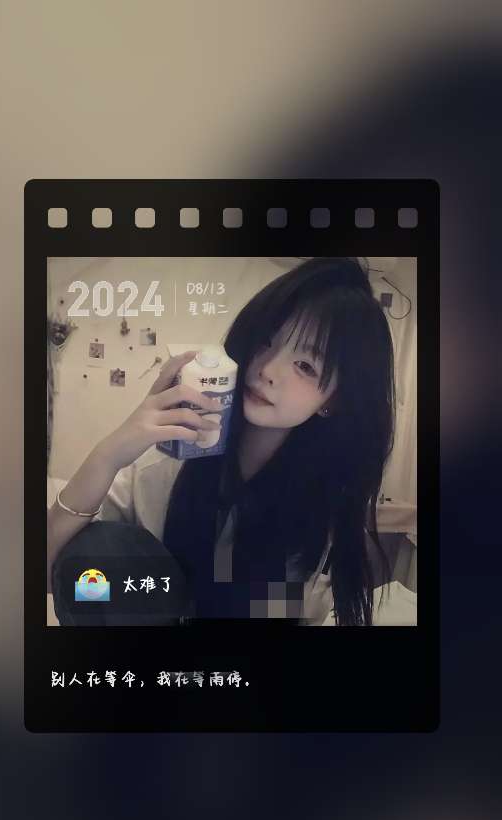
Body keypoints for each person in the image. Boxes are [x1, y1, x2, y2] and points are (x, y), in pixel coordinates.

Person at [48, 256, 397, 626]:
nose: (267, 370)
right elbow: (57, 573)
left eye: (305, 366)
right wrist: (108, 454)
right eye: (266, 341)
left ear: (333, 401)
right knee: (100, 547)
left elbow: (302, 613)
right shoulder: (170, 463)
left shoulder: (323, 508)